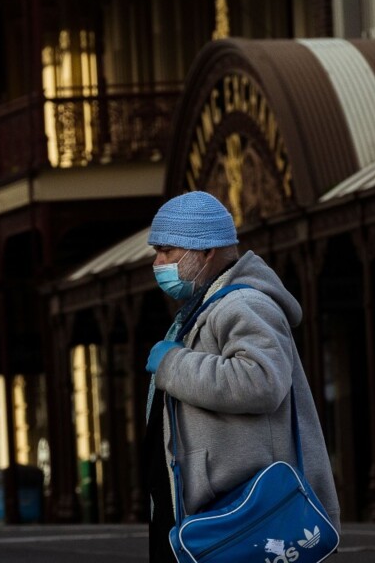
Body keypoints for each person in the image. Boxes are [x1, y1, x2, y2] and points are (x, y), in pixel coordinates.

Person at [141, 191, 340, 561]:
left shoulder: (244, 304)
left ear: (204, 252)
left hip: (241, 510)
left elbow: (261, 381)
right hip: (215, 509)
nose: (158, 262)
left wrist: (173, 365)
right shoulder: (202, 308)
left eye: (166, 251)